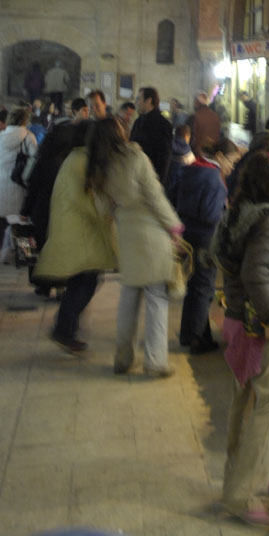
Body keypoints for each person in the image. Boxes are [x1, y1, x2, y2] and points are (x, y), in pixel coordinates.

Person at [217, 151, 269, 525]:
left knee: (244, 405)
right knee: (268, 410)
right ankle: (243, 493)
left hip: (236, 319)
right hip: (257, 326)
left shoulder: (238, 212)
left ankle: (244, 477)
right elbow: (256, 272)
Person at [86, 117, 183, 377]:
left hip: (127, 235)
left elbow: (103, 208)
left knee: (128, 299)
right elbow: (154, 195)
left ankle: (123, 357)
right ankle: (155, 361)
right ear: (118, 133)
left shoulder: (99, 167)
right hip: (152, 232)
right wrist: (174, 226)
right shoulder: (136, 158)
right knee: (156, 299)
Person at [32, 120, 116, 353]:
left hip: (77, 231)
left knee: (84, 281)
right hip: (78, 232)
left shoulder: (77, 158)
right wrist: (105, 214)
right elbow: (84, 199)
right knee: (86, 281)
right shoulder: (79, 161)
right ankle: (63, 329)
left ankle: (67, 327)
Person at [170, 136, 229, 352]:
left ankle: (189, 334)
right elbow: (212, 214)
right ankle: (197, 338)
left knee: (194, 286)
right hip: (207, 238)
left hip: (189, 232)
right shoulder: (214, 178)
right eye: (231, 160)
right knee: (204, 288)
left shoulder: (192, 169)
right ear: (220, 157)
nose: (232, 166)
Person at [0, 105, 39, 253]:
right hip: (19, 187)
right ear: (25, 121)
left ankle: (3, 254)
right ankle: (25, 252)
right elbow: (35, 162)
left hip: (1, 188)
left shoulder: (1, 136)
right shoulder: (28, 137)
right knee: (22, 224)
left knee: (2, 222)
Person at [130, 86, 173, 187]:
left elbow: (164, 156)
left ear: (148, 101)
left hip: (151, 180)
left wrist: (158, 183)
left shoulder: (162, 124)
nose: (136, 102)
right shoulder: (138, 122)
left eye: (139, 99)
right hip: (137, 178)